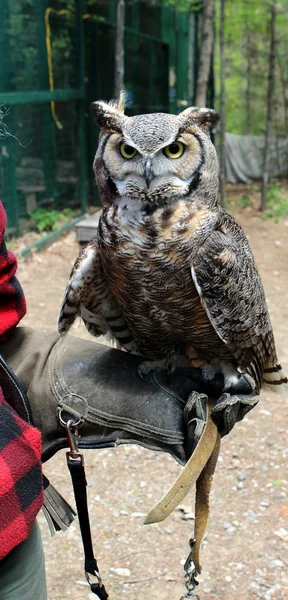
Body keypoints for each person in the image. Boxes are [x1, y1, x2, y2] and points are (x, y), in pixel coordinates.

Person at [0, 200, 257, 599]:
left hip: (8, 519)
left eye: (174, 149)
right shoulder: (107, 246)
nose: (151, 169)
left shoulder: (213, 241)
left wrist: (53, 370)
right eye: (128, 151)